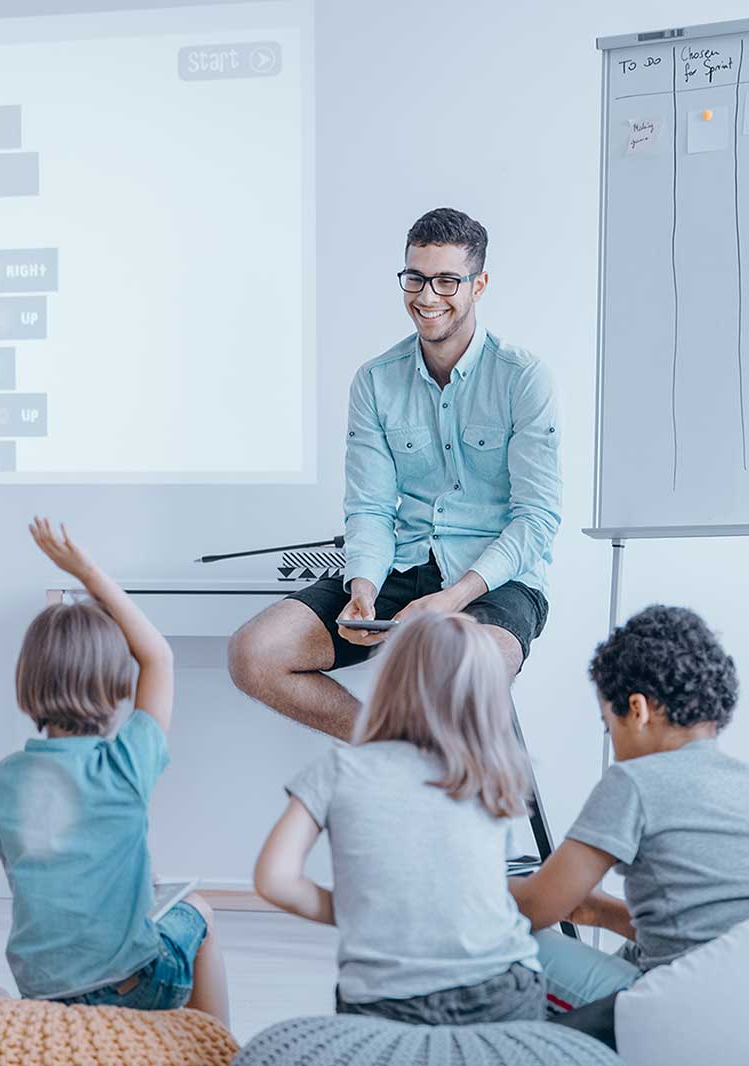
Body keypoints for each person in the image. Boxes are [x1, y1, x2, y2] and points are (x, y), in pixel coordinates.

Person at [229, 207, 561, 738]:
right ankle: (394, 753)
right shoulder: (375, 381)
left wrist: (451, 600)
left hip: (495, 579)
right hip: (399, 568)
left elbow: (536, 520)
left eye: (447, 280)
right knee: (255, 653)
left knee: (465, 674)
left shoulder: (523, 378)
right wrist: (363, 584)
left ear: (480, 284)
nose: (427, 297)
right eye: (416, 278)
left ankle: (442, 778)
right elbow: (370, 508)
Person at [0, 518, 230, 1025]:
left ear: (26, 680)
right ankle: (216, 1048)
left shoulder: (2, 782)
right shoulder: (125, 763)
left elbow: (34, 883)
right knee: (199, 910)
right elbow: (159, 656)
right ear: (118, 682)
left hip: (40, 992)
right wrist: (88, 571)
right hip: (134, 987)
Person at [508, 606, 749, 1012]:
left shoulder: (635, 781)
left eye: (607, 726)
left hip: (685, 1012)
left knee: (512, 947)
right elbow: (711, 931)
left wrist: (467, 893)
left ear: (638, 710)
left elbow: (534, 908)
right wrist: (599, 911)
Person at [254, 613, 544, 1024]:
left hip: (382, 1003)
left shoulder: (340, 769)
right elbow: (500, 886)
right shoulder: (491, 773)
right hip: (499, 994)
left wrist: (354, 910)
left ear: (389, 682)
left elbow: (275, 881)